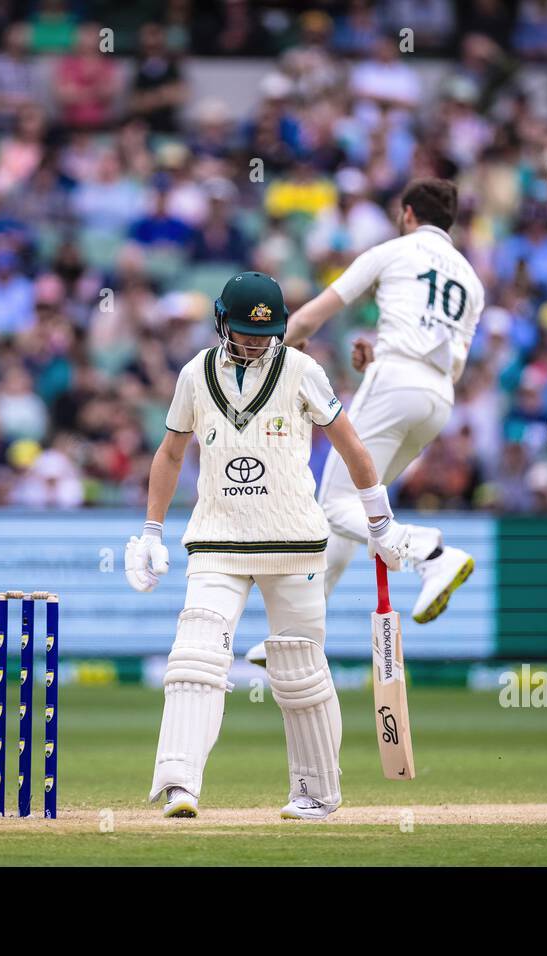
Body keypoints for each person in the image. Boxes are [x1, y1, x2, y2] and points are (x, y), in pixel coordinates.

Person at [124, 271, 408, 820]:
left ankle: (317, 793)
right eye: (244, 331)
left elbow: (351, 446)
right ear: (220, 321)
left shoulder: (301, 370)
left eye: (266, 331)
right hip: (217, 541)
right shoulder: (195, 374)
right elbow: (170, 454)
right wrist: (151, 531)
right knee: (195, 657)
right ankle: (179, 784)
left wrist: (381, 522)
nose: (255, 341)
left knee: (299, 670)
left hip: (295, 543)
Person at [242, 179, 485, 666]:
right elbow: (446, 361)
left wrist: (271, 354)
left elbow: (313, 317)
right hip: (436, 400)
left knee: (332, 506)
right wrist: (378, 354)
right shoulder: (471, 281)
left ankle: (430, 553)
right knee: (355, 507)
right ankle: (298, 634)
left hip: (394, 385)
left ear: (408, 212)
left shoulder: (394, 249)